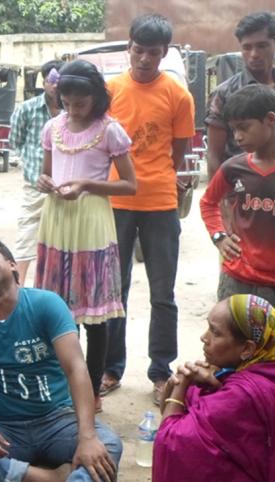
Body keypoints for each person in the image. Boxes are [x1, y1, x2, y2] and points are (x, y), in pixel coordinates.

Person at [0, 237, 122, 482]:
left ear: (12, 264)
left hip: (59, 421)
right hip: (3, 428)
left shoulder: (46, 303)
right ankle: (43, 477)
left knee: (108, 444)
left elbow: (76, 368)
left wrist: (86, 437)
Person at [199, 84, 275, 396]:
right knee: (229, 355)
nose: (237, 137)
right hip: (236, 281)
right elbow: (208, 202)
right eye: (233, 130)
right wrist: (219, 237)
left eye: (243, 128)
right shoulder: (234, 167)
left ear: (270, 120)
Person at [101, 14, 195, 403]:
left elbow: (178, 151)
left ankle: (160, 370)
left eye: (152, 53)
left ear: (163, 54)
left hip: (159, 202)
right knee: (112, 291)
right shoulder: (109, 91)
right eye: (137, 50)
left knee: (163, 292)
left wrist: (154, 176)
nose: (143, 59)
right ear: (129, 48)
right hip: (115, 201)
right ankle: (110, 367)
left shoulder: (177, 95)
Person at [34, 60, 136, 412]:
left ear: (96, 98)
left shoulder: (111, 131)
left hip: (91, 221)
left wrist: (87, 186)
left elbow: (129, 185)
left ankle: (91, 392)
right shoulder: (52, 128)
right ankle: (64, 388)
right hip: (57, 219)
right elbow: (45, 174)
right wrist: (44, 182)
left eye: (81, 103)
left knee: (95, 313)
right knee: (60, 312)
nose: (73, 109)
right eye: (67, 102)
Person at [153, 295, 275, 482]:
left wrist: (181, 383)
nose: (204, 337)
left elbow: (169, 440)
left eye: (215, 333)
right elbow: (176, 413)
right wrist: (174, 384)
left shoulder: (245, 394)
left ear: (247, 349)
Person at [205, 11, 275, 180]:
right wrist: (221, 200)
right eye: (247, 47)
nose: (254, 54)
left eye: (261, 46)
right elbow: (214, 155)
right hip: (240, 192)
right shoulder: (224, 94)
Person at [9, 59, 63, 285]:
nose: (56, 87)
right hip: (34, 187)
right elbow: (16, 141)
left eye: (60, 82)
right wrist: (32, 167)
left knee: (59, 244)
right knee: (26, 240)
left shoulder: (73, 112)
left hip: (64, 189)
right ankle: (17, 291)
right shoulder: (27, 109)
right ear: (44, 81)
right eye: (51, 81)